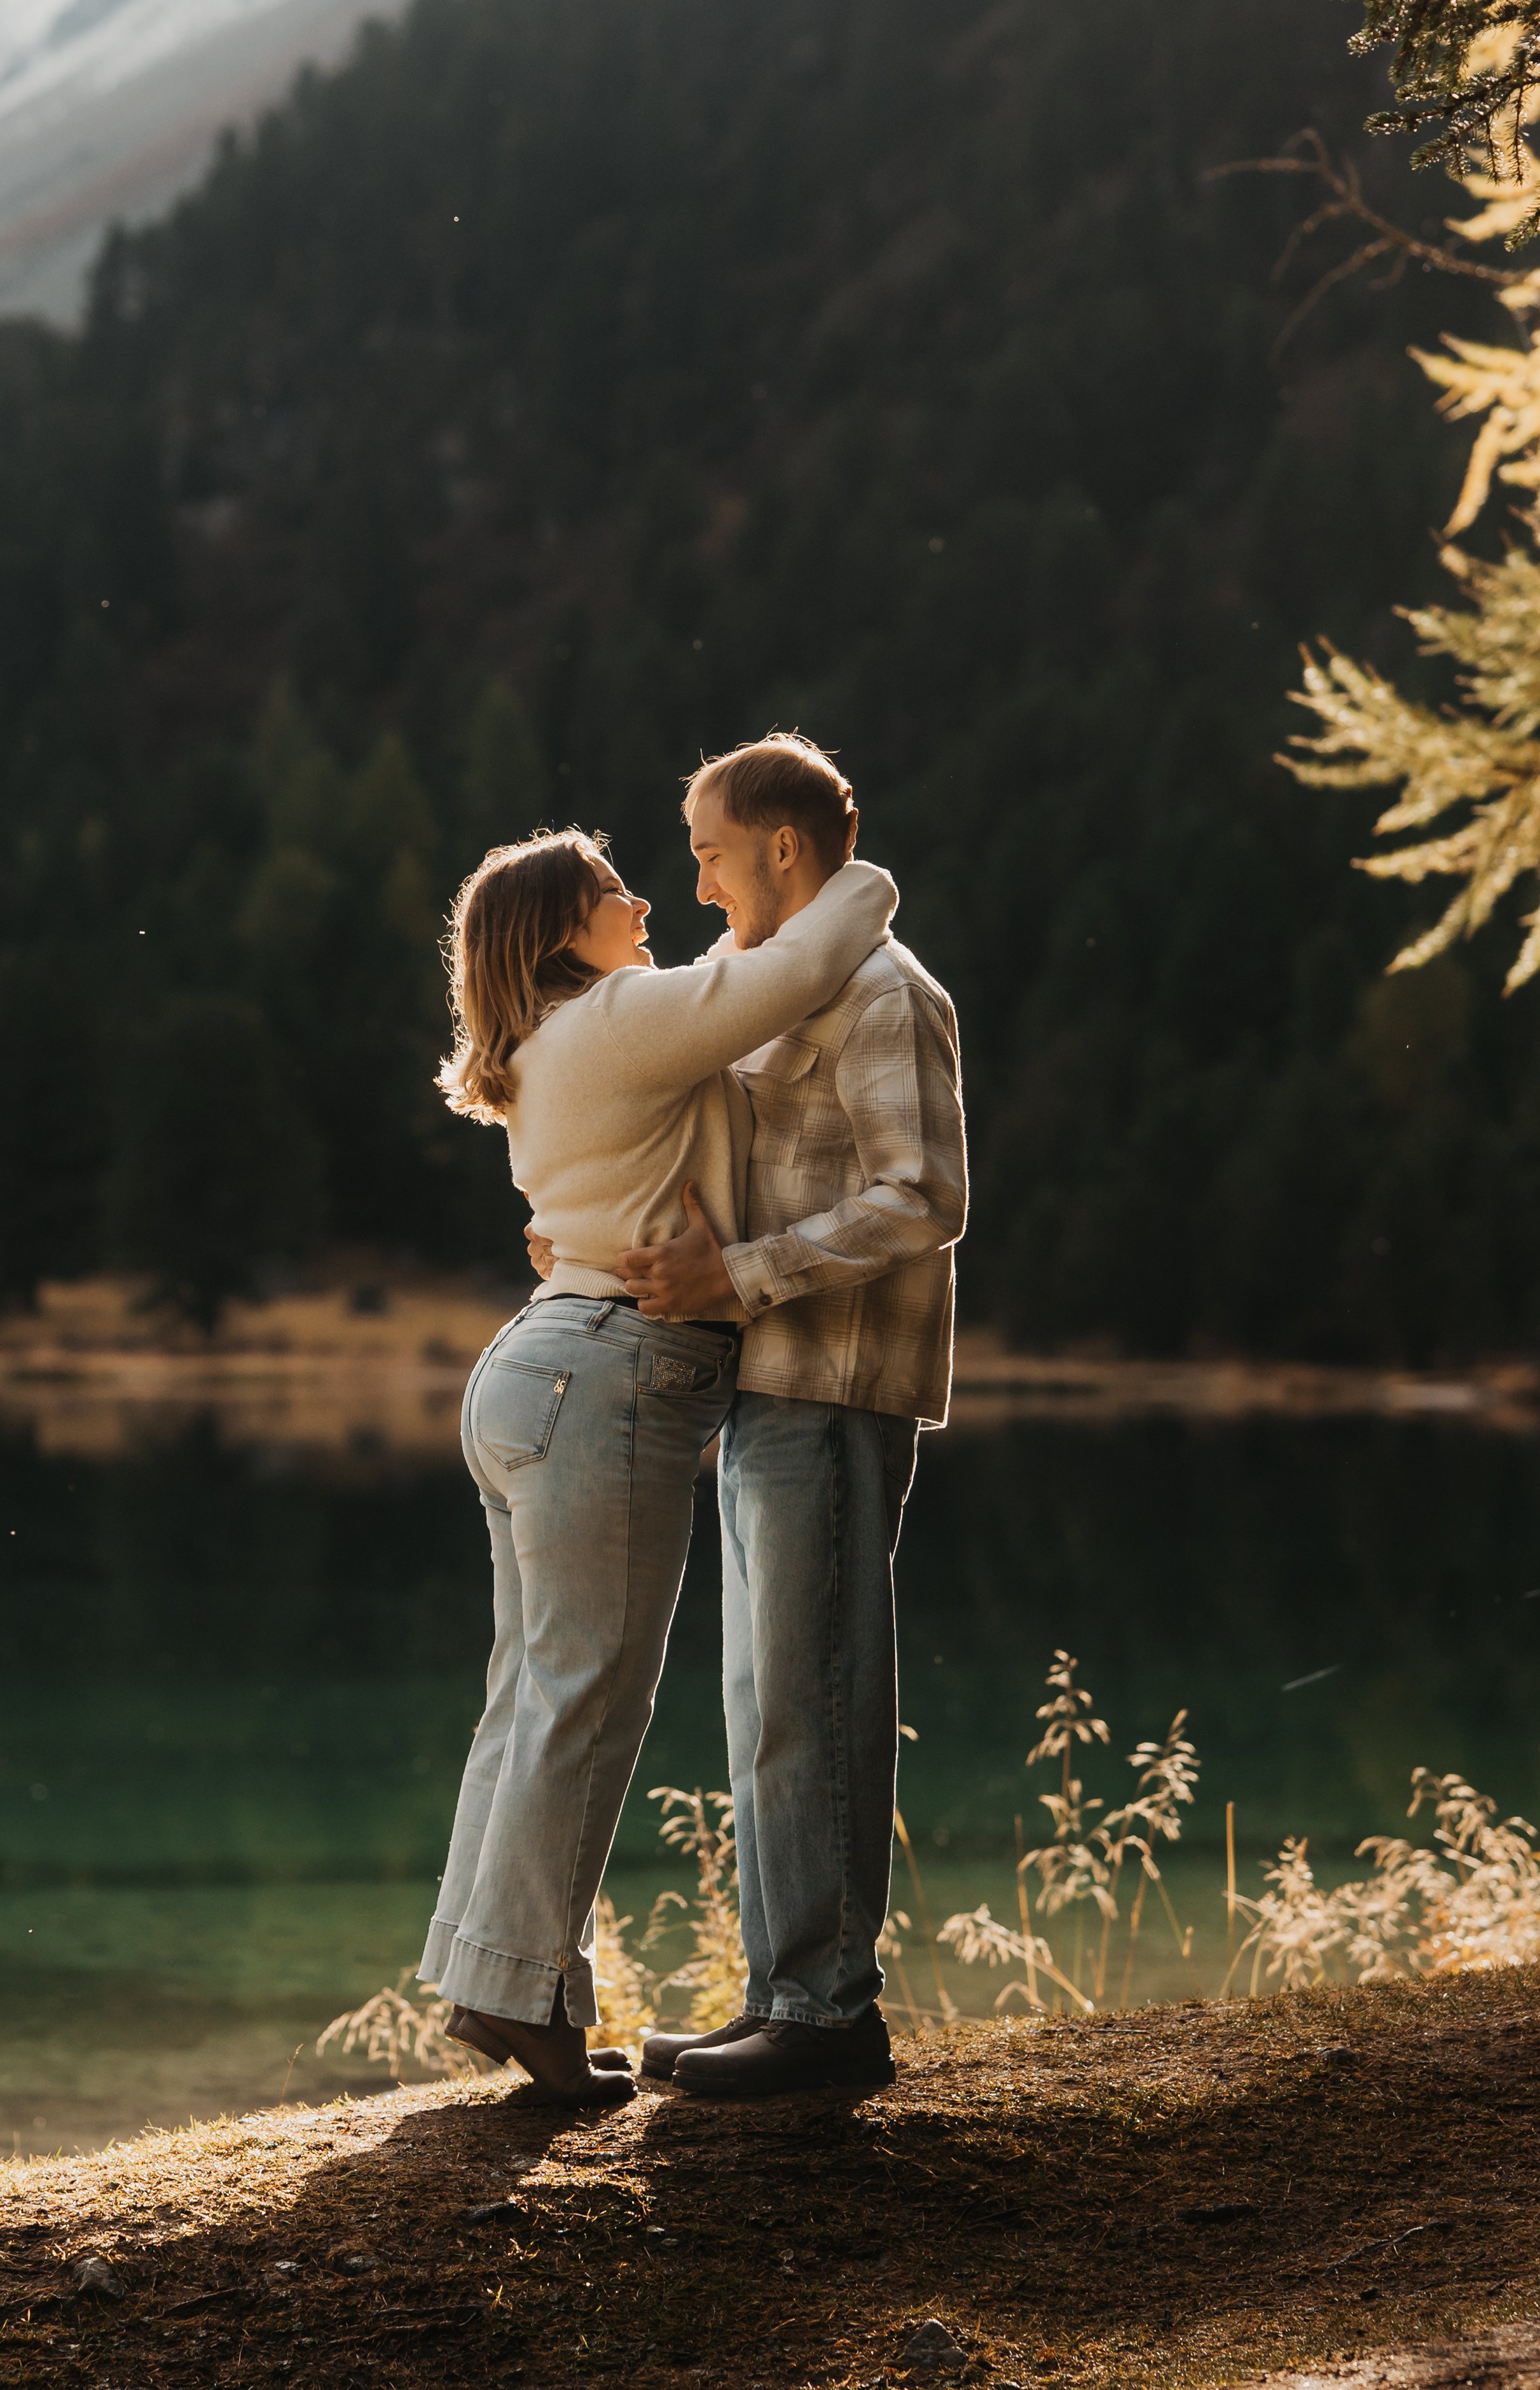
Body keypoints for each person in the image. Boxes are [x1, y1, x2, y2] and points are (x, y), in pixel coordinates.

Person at [423, 824, 896, 2107]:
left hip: (545, 1368)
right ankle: (522, 1997)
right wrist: (863, 871)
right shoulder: (619, 1016)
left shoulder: (550, 1042)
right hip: (607, 1373)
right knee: (584, 1697)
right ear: (563, 932)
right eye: (612, 892)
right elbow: (794, 972)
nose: (644, 904)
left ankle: (489, 1977)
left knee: (531, 1690)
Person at [530, 735, 966, 2097]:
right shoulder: (783, 998)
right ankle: (785, 1996)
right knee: (766, 1698)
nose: (698, 881)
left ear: (783, 848)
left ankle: (829, 2020)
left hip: (834, 1384)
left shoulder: (885, 995)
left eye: (711, 851)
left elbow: (923, 1199)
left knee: (812, 1691)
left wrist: (738, 1274)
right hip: (766, 1383)